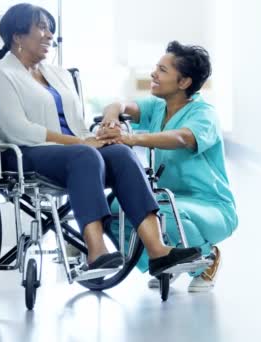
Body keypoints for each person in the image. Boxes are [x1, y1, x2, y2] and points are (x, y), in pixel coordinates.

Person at [0, 3, 202, 275]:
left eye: (51, 28)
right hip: (27, 152)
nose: (50, 35)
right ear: (17, 35)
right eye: (41, 27)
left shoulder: (57, 74)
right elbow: (18, 129)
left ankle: (157, 251)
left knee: (119, 152)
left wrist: (100, 136)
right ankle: (96, 252)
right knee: (85, 155)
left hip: (77, 153)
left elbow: (77, 125)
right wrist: (82, 144)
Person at [97, 41, 238, 292]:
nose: (153, 74)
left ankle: (206, 258)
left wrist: (132, 138)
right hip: (168, 199)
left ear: (184, 82)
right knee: (114, 211)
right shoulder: (158, 106)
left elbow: (183, 138)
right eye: (156, 68)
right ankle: (164, 261)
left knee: (159, 212)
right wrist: (111, 118)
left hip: (210, 205)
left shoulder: (204, 114)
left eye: (162, 70)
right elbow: (120, 103)